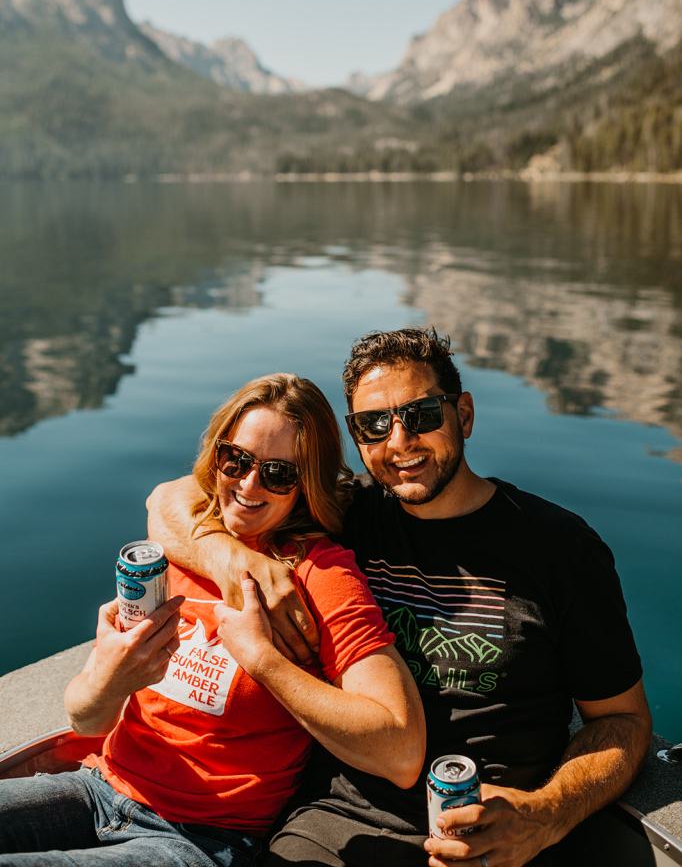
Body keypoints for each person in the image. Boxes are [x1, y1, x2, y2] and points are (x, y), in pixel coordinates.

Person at [147, 330, 652, 867]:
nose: (399, 442)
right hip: (338, 818)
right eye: (374, 425)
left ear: (464, 415)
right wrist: (233, 559)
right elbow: (171, 500)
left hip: (490, 828)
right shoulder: (346, 513)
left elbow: (622, 721)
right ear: (357, 437)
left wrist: (545, 814)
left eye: (422, 415)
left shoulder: (559, 548)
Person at [0, 373, 425, 867]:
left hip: (202, 838)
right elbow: (86, 718)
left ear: (307, 482)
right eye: (236, 460)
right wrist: (112, 678)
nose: (247, 485)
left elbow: (401, 749)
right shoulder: (184, 544)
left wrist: (263, 660)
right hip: (97, 788)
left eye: (278, 474)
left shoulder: (317, 575)